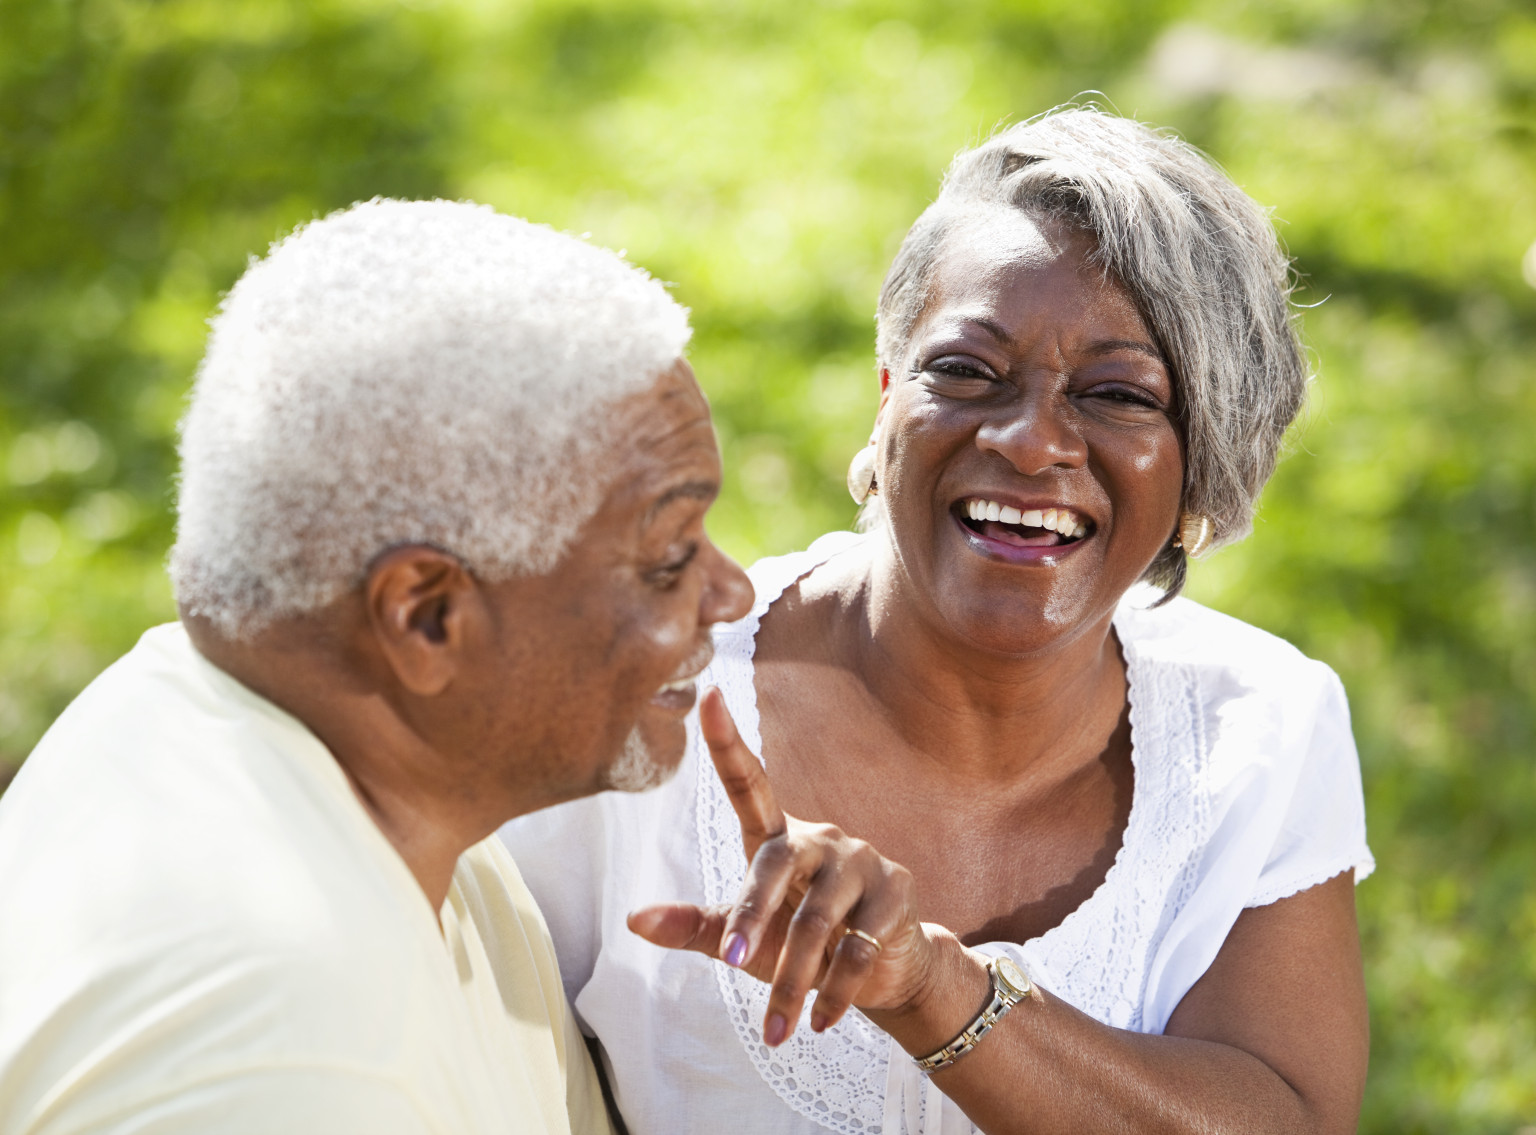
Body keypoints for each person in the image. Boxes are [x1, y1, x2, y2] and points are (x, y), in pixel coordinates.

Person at [501, 108, 1374, 1135]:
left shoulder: (1259, 727)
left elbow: (1286, 1117)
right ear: (885, 402)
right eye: (966, 370)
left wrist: (936, 990)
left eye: (1115, 394)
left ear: (1205, 463)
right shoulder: (642, 709)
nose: (1028, 439)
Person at [0, 199, 753, 1134]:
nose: (731, 594)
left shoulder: (373, 790)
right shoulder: (280, 1051)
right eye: (671, 556)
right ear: (427, 617)